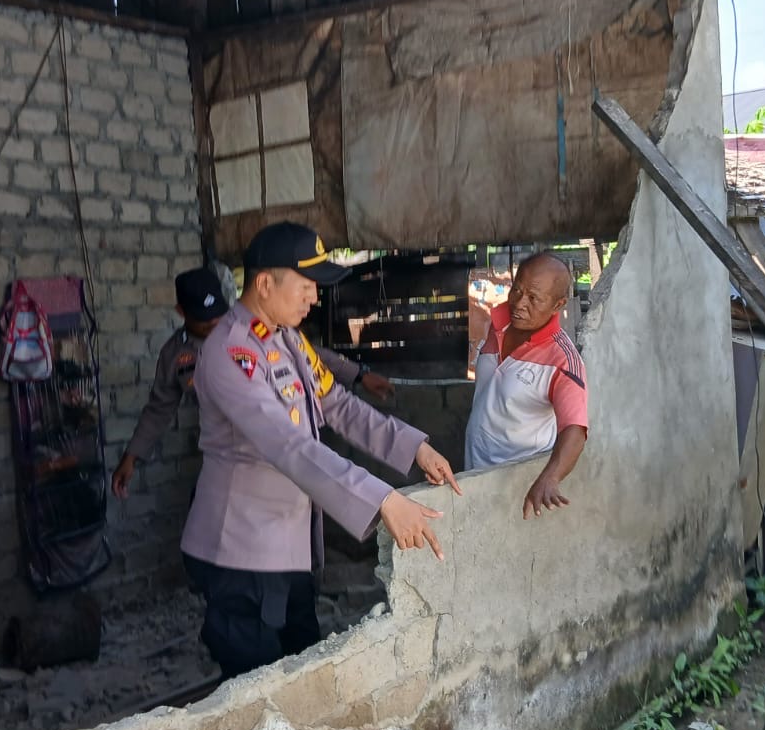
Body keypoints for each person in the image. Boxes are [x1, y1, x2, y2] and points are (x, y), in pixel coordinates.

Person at [181, 222, 460, 679]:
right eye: (307, 285)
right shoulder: (232, 353)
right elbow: (288, 446)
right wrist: (383, 499)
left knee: (297, 667)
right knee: (256, 682)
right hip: (242, 551)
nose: (315, 297)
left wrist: (414, 448)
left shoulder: (286, 339)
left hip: (288, 544)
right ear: (265, 283)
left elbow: (339, 405)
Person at [111, 267, 395, 499]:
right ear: (181, 312)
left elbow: (309, 354)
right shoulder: (175, 355)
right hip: (234, 458)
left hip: (285, 445)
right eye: (204, 320)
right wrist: (131, 456)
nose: (215, 323)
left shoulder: (254, 329)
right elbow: (159, 408)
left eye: (218, 314)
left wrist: (359, 374)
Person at [464, 252, 589, 519]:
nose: (519, 303)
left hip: (516, 488)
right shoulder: (498, 325)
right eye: (517, 290)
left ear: (558, 305)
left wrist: (550, 477)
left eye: (533, 298)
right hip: (472, 472)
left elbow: (575, 430)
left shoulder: (562, 360)